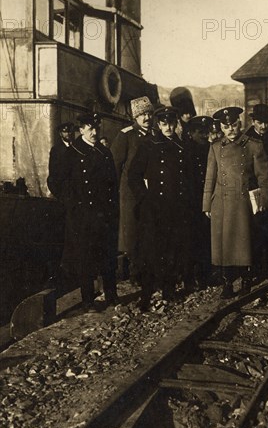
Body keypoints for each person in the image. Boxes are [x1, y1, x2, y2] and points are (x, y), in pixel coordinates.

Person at [203, 107, 268, 298]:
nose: (231, 129)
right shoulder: (215, 147)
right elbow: (210, 178)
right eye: (226, 126)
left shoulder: (253, 145)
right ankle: (227, 283)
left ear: (239, 124)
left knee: (245, 243)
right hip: (221, 203)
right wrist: (206, 204)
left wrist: (264, 198)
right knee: (223, 245)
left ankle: (247, 279)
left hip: (243, 202)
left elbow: (263, 177)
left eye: (233, 125)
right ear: (221, 128)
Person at [129, 106, 191, 310]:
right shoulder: (148, 145)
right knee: (150, 252)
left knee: (172, 249)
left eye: (172, 123)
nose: (168, 127)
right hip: (153, 208)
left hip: (175, 207)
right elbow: (133, 175)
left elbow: (184, 178)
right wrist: (144, 198)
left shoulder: (180, 147)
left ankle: (168, 290)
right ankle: (146, 293)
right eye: (164, 124)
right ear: (158, 124)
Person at [59, 113, 119, 311]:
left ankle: (111, 295)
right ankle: (87, 300)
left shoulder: (104, 152)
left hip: (104, 215)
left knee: (107, 256)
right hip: (82, 216)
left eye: (96, 128)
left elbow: (112, 184)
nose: (94, 132)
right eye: (90, 128)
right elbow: (58, 181)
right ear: (81, 129)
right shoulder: (73, 152)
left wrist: (112, 209)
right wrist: (72, 205)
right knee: (85, 259)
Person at [111, 96, 153, 284]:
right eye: (142, 114)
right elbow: (114, 165)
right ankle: (135, 273)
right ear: (135, 117)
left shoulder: (155, 135)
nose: (147, 118)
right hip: (130, 194)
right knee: (132, 233)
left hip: (151, 192)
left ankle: (149, 271)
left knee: (149, 231)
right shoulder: (126, 135)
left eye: (149, 113)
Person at [244, 103, 268, 281]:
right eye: (259, 122)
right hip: (254, 190)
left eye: (266, 122)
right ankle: (256, 268)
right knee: (256, 229)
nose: (263, 126)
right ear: (253, 121)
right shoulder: (247, 139)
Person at [186, 115, 214, 289]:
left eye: (207, 132)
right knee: (190, 241)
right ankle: (190, 277)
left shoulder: (211, 149)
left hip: (206, 200)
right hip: (189, 202)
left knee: (205, 239)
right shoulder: (185, 150)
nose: (205, 135)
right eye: (201, 132)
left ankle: (205, 276)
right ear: (191, 133)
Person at [47, 121, 75, 198]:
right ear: (60, 134)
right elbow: (53, 171)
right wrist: (58, 192)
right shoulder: (56, 149)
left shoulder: (76, 147)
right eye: (65, 131)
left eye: (69, 131)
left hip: (75, 190)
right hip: (63, 189)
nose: (68, 134)